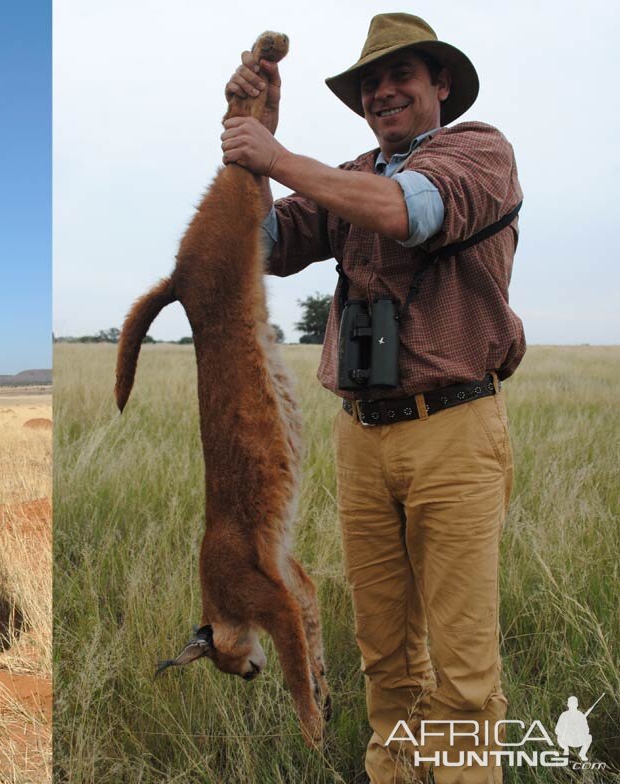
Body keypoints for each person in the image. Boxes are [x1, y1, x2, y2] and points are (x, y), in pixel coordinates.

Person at [220, 13, 522, 784]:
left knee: (462, 670)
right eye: (370, 85)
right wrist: (250, 142)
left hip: (452, 430)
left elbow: (407, 212)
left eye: (401, 77)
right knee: (384, 654)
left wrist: (280, 157)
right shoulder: (352, 172)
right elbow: (256, 246)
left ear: (440, 85)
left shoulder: (478, 150)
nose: (383, 93)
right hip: (362, 435)